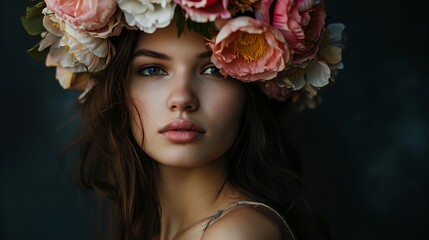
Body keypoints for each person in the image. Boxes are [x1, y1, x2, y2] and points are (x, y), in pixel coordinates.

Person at [22, 0, 345, 239]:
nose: (182, 99)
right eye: (152, 70)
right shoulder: (153, 228)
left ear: (251, 86)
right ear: (116, 89)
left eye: (213, 70)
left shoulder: (237, 234)